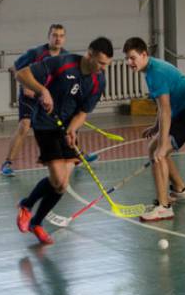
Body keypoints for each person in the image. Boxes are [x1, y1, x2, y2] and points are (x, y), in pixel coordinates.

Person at [14, 37, 113, 244]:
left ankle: (36, 223)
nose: (103, 68)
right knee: (58, 180)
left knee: (62, 185)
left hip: (66, 128)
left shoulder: (98, 80)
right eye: (101, 63)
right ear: (90, 53)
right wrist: (43, 90)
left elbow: (84, 112)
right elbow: (21, 74)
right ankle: (26, 204)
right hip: (45, 123)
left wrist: (73, 129)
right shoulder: (62, 63)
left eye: (107, 65)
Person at [123, 37, 185, 222]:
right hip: (183, 113)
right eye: (127, 58)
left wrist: (162, 144)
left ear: (144, 54)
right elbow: (162, 107)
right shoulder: (149, 70)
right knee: (155, 148)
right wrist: (156, 127)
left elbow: (166, 109)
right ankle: (180, 190)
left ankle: (164, 207)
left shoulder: (156, 72)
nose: (129, 62)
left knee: (159, 152)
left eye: (132, 58)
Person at [1, 24, 70, 177]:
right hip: (30, 97)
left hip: (46, 98)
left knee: (64, 125)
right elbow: (14, 68)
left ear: (64, 38)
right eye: (54, 35)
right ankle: (7, 163)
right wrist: (27, 86)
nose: (57, 39)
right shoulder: (36, 53)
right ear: (49, 37)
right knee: (25, 125)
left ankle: (76, 155)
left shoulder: (66, 57)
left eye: (61, 36)